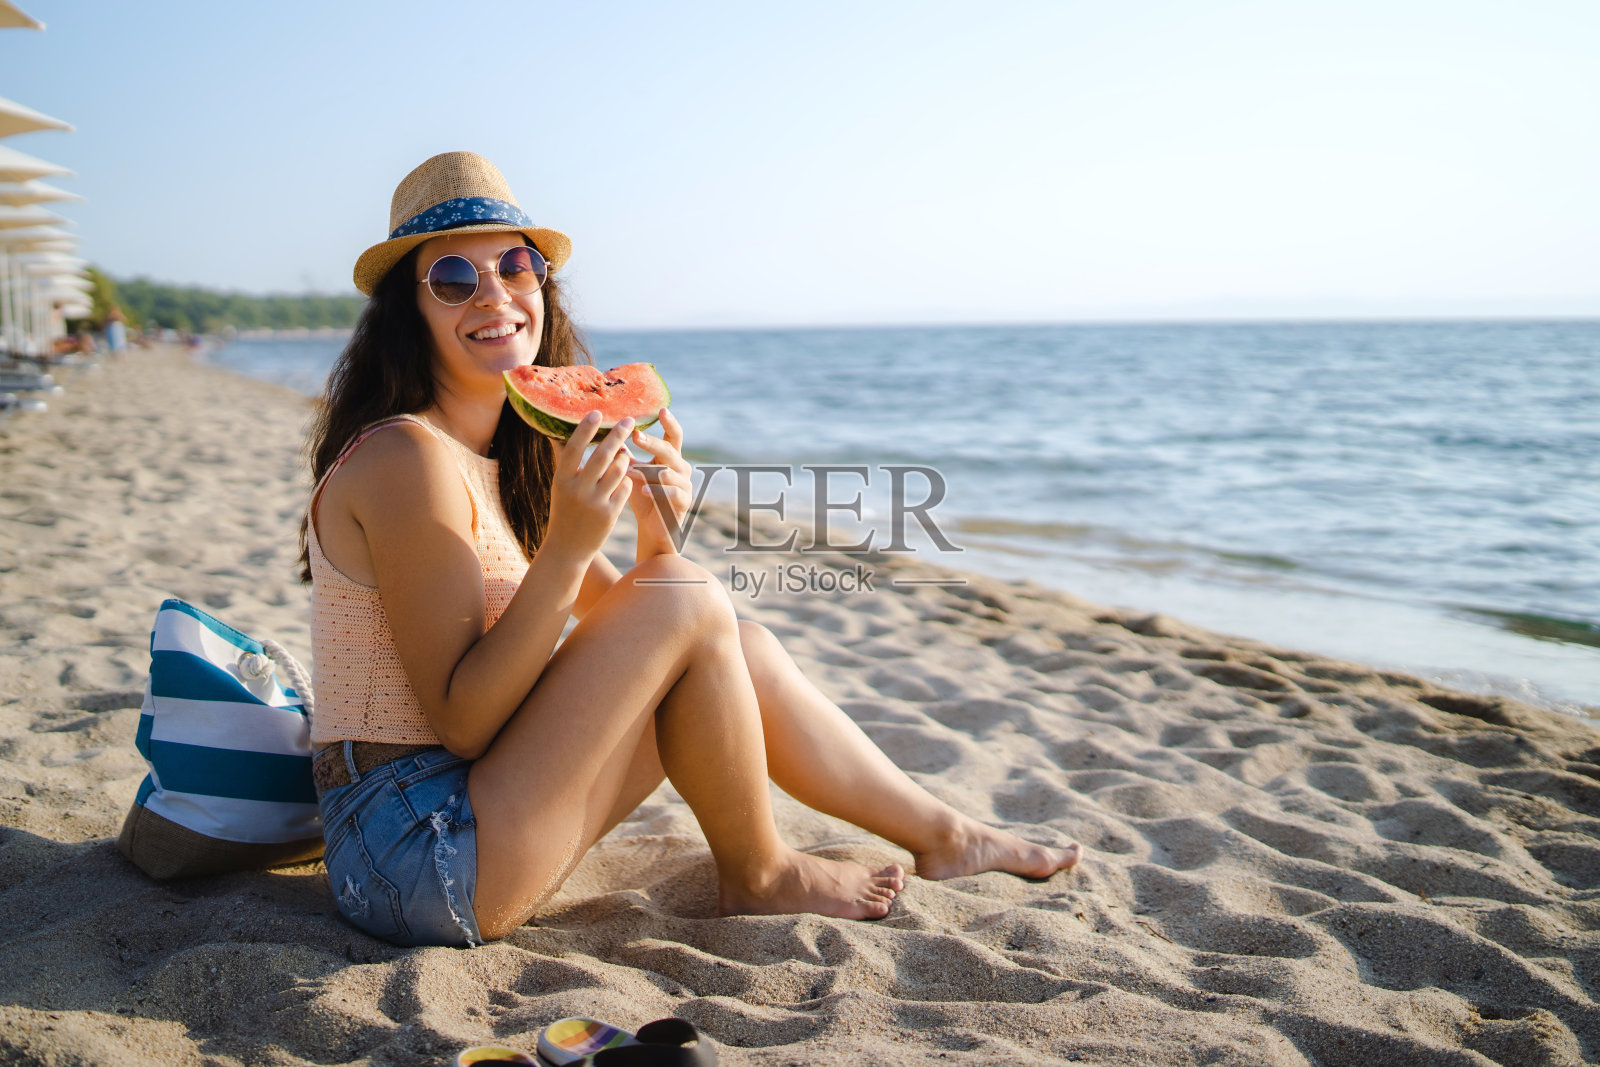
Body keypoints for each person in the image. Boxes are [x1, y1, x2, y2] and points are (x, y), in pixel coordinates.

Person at [300, 152, 1080, 948]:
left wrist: (650, 525)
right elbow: (464, 721)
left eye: (516, 265)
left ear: (543, 286)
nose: (495, 293)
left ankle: (945, 834)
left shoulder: (497, 466)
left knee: (738, 639)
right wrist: (571, 549)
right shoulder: (406, 459)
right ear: (410, 310)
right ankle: (762, 874)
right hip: (414, 854)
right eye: (455, 280)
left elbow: (653, 636)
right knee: (688, 595)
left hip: (476, 809)